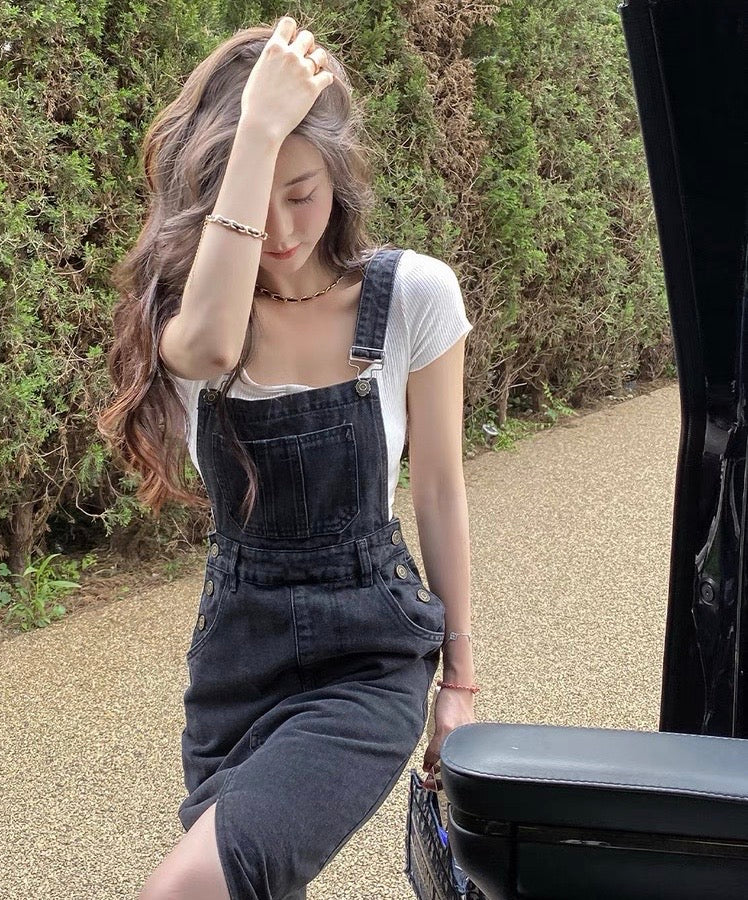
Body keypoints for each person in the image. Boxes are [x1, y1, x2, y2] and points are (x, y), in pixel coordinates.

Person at [98, 15, 477, 900]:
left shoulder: (414, 296)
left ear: (339, 177)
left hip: (367, 653)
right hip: (237, 657)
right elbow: (208, 350)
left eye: (300, 193)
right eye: (254, 193)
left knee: (190, 887)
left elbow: (439, 492)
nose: (278, 230)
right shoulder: (195, 314)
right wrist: (259, 129)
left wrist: (459, 681)